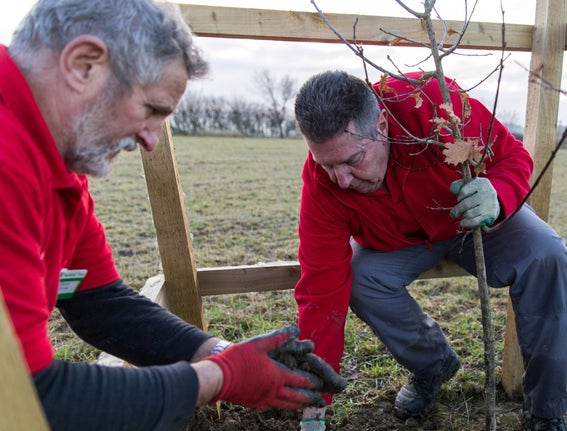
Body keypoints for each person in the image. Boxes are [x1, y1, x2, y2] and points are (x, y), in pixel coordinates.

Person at [0, 1, 343, 430]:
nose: (150, 140)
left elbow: (97, 299)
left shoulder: (57, 169)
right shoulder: (7, 164)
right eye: (151, 109)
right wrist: (220, 378)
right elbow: (28, 396)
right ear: (83, 65)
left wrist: (221, 352)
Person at [292, 70, 567, 431]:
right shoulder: (323, 183)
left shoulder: (432, 104)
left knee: (548, 255)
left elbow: (513, 158)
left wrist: (498, 195)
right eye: (327, 165)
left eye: (353, 160)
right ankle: (432, 365)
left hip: (475, 219)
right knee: (362, 277)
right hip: (399, 242)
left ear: (381, 124)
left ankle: (546, 410)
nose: (341, 180)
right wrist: (315, 400)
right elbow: (321, 287)